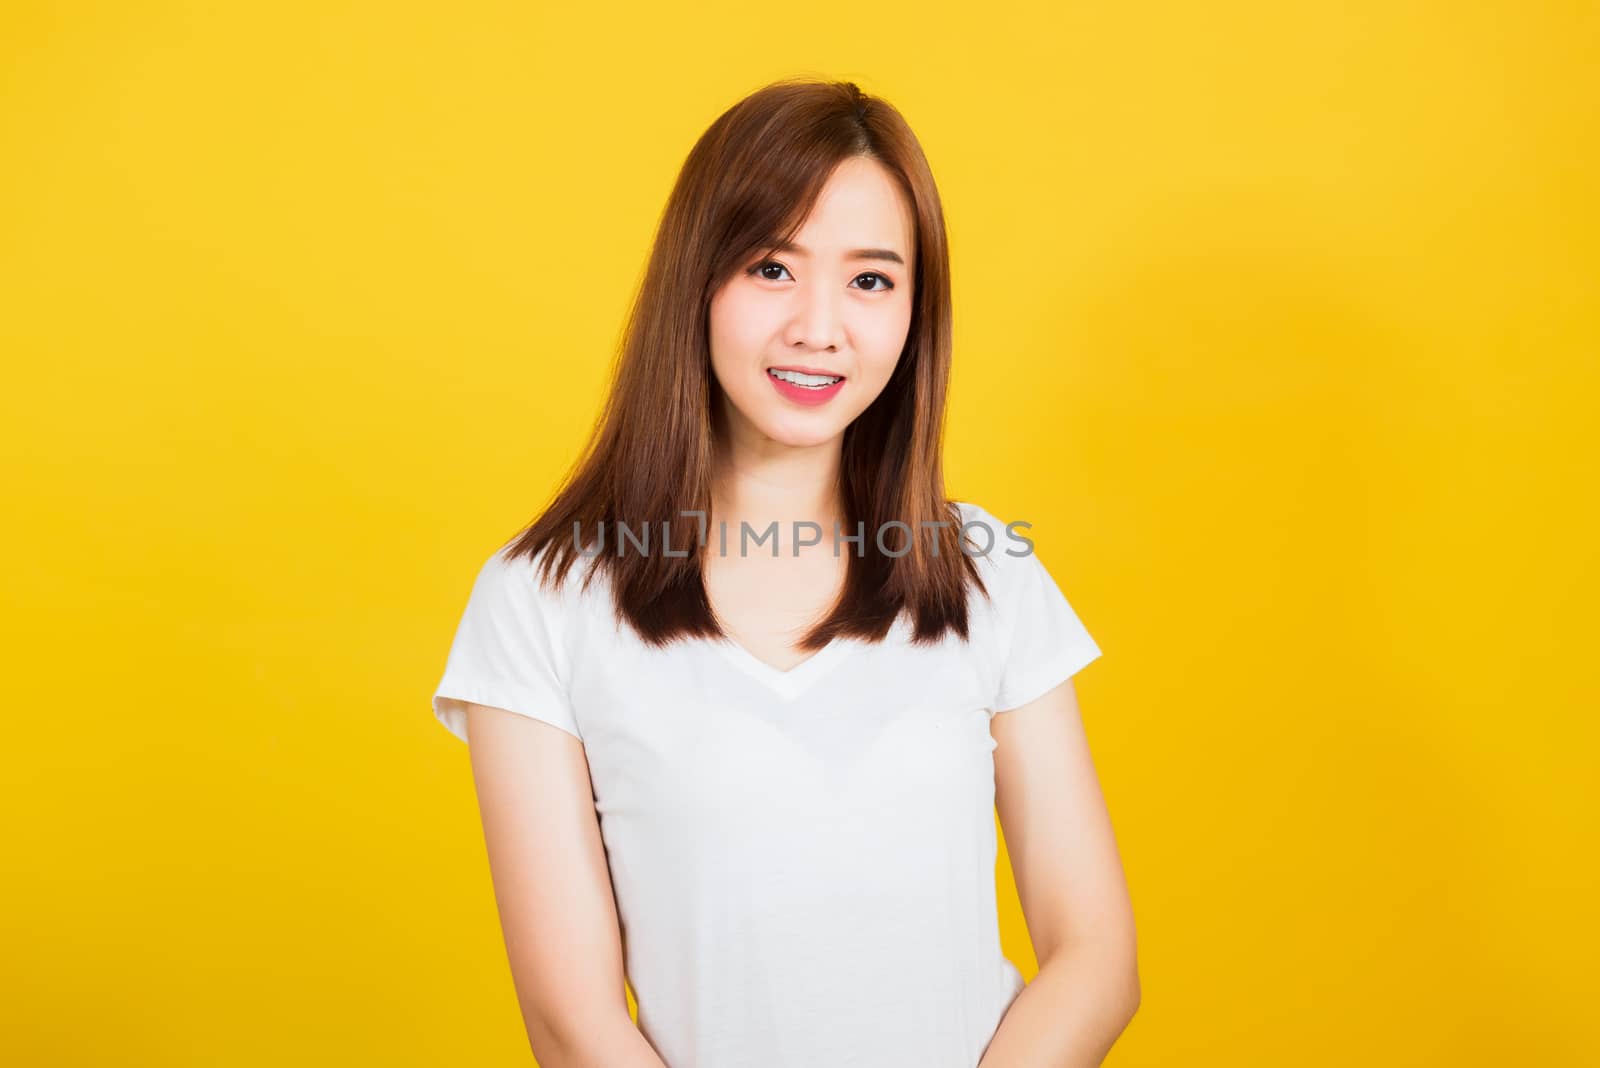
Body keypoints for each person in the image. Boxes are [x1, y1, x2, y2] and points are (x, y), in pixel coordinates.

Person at [431, 78, 1140, 1068]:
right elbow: (571, 1021)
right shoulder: (539, 600)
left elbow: (1094, 954)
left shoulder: (987, 576)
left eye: (870, 280)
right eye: (772, 268)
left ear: (913, 311)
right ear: (697, 280)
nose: (819, 327)